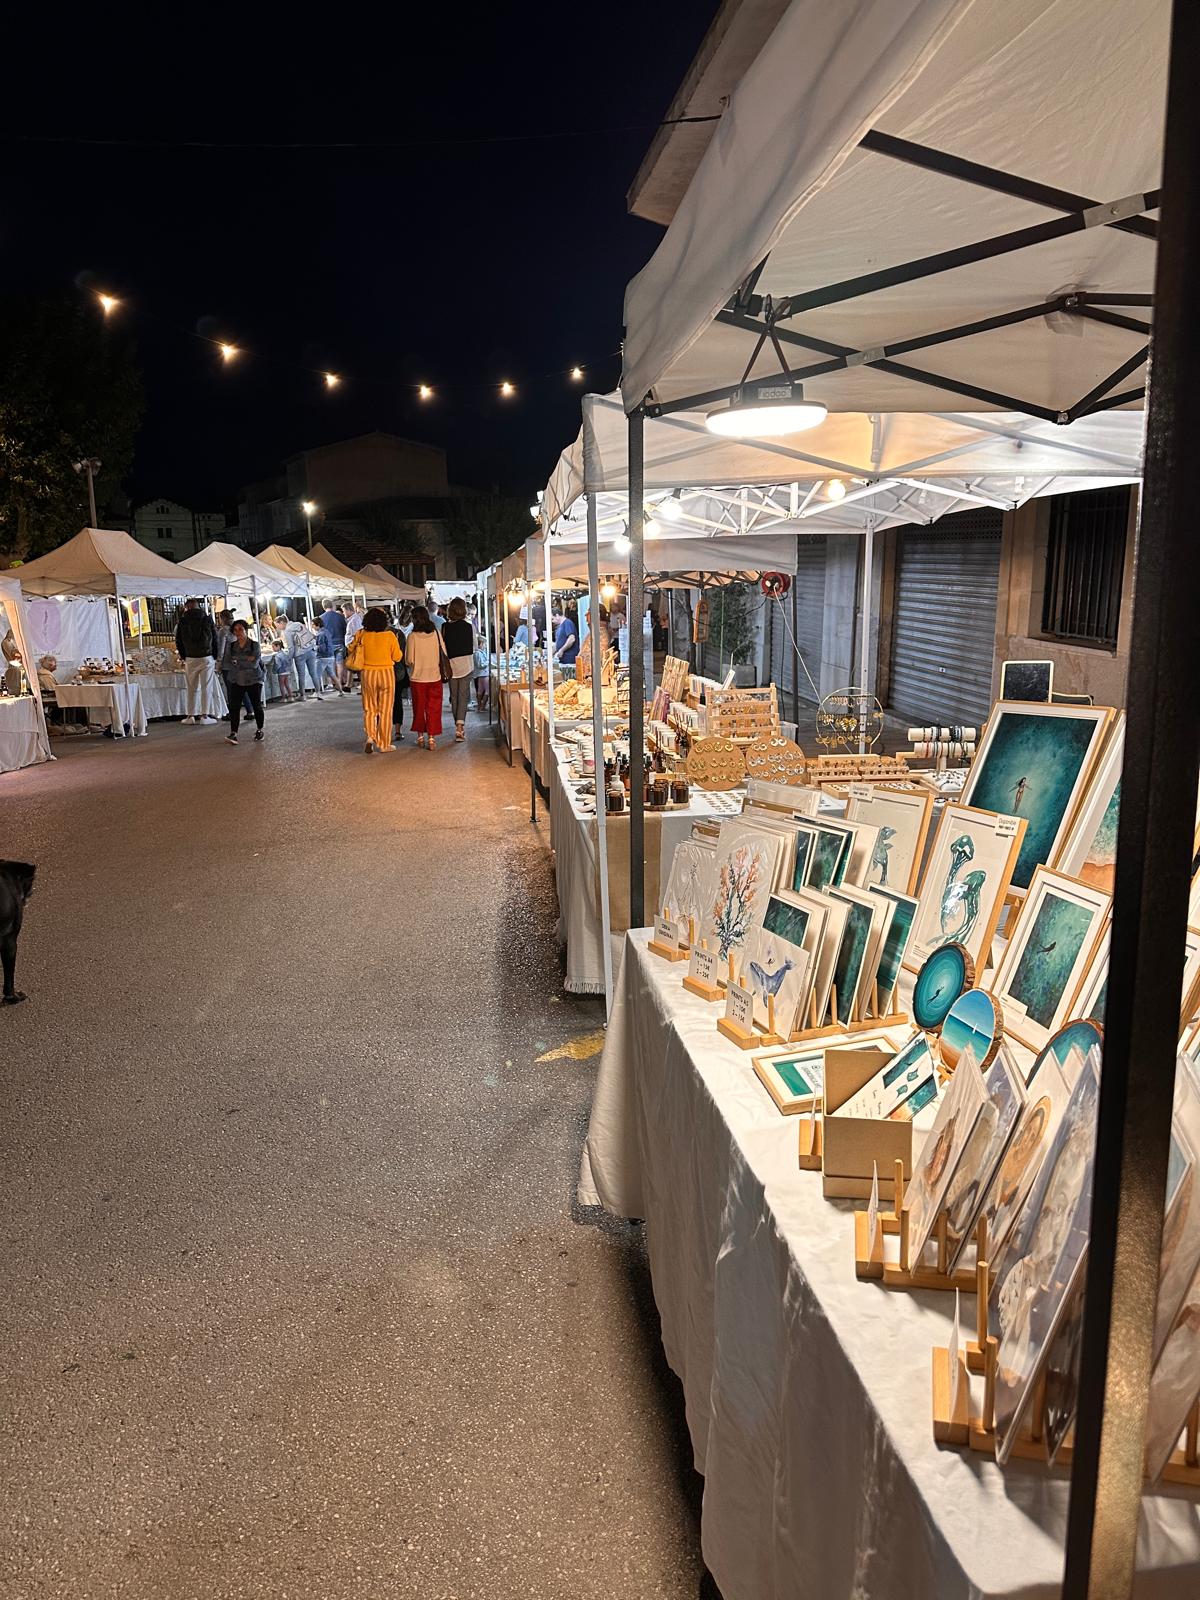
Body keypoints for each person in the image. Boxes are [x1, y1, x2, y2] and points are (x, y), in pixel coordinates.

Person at [345, 606, 401, 752]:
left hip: (368, 674)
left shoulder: (361, 634)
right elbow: (397, 657)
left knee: (369, 708)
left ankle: (370, 737)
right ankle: (384, 744)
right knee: (386, 710)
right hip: (386, 674)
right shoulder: (390, 636)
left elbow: (350, 648)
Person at [406, 605, 448, 749]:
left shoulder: (412, 637)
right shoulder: (436, 633)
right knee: (434, 708)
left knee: (419, 708)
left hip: (417, 678)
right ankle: (431, 738)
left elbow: (409, 659)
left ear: (415, 619)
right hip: (434, 676)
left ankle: (420, 737)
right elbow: (444, 653)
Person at [174, 599, 220, 724]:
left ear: (187, 607)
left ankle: (190, 716)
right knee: (206, 687)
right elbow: (214, 638)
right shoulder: (207, 619)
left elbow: (178, 640)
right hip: (207, 656)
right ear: (198, 606)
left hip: (190, 657)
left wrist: (184, 656)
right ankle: (204, 716)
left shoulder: (182, 621)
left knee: (191, 687)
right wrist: (215, 655)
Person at [220, 619, 266, 743]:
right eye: (235, 630)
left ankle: (259, 729)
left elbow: (254, 664)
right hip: (236, 679)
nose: (238, 632)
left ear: (245, 630)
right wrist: (246, 658)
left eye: (240, 629)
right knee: (234, 707)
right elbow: (228, 662)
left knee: (256, 705)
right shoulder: (231, 646)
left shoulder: (254, 645)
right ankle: (233, 732)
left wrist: (237, 660)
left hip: (253, 679)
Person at [441, 596, 476, 742]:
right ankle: (460, 727)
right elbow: (474, 646)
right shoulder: (469, 626)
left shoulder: (445, 627)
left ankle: (458, 725)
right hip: (467, 664)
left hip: (451, 665)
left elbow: (443, 647)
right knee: (463, 696)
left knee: (454, 696)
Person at [282, 615, 324, 701]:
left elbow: (291, 647)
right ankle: (318, 692)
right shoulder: (299, 624)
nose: (278, 627)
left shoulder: (287, 631)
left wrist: (290, 658)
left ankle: (303, 695)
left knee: (301, 675)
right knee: (313, 673)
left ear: (282, 623)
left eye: (277, 625)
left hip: (299, 653)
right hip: (310, 650)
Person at [390, 617, 410, 742]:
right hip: (397, 672)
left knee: (379, 703)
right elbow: (402, 655)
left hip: (377, 673)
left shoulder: (370, 634)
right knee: (397, 701)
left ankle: (379, 731)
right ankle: (397, 731)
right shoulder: (398, 634)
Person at [321, 601, 348, 689]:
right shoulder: (340, 616)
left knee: (330, 664)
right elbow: (345, 629)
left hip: (328, 644)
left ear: (323, 607)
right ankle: (339, 682)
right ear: (332, 606)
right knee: (339, 663)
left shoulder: (321, 618)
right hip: (340, 642)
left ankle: (331, 683)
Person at [313, 615, 340, 693]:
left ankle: (317, 692)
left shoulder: (320, 634)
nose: (312, 627)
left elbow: (322, 648)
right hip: (330, 656)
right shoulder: (326, 631)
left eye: (313, 625)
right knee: (332, 675)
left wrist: (315, 648)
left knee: (317, 675)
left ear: (317, 625)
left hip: (322, 657)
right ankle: (341, 691)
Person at [553, 601, 579, 671]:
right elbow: (557, 643)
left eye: (552, 619)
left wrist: (562, 650)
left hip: (569, 660)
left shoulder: (567, 623)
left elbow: (572, 639)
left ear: (557, 615)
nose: (552, 621)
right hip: (563, 660)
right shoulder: (559, 626)